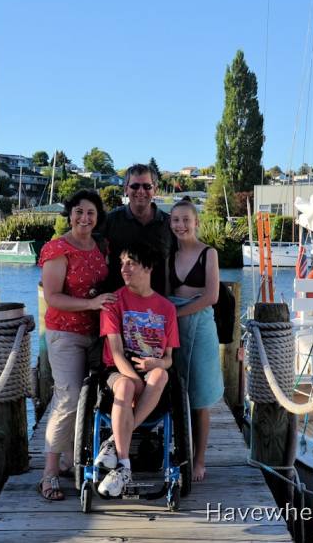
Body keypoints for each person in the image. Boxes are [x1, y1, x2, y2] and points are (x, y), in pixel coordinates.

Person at [37, 189, 116, 501]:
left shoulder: (101, 247)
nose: (85, 218)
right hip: (65, 334)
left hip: (96, 334)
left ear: (98, 218)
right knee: (68, 397)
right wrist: (92, 303)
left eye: (91, 213)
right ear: (69, 214)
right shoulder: (57, 249)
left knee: (91, 399)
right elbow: (52, 297)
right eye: (79, 212)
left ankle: (73, 460)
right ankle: (49, 473)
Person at [94, 242, 179, 497]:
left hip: (152, 372)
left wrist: (157, 364)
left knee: (161, 374)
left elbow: (169, 359)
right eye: (122, 264)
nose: (124, 268)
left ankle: (113, 441)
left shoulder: (166, 308)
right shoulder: (113, 302)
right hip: (118, 370)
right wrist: (134, 379)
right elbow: (117, 353)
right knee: (127, 385)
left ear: (148, 267)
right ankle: (124, 465)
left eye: (130, 262)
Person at [167, 199, 223, 481]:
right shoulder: (169, 254)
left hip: (199, 324)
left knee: (200, 396)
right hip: (174, 327)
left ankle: (199, 460)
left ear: (196, 222)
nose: (181, 225)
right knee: (177, 391)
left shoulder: (208, 253)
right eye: (176, 219)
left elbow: (211, 296)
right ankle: (180, 450)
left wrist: (176, 313)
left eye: (186, 219)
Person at [101, 164, 172, 294]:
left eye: (147, 186)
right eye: (135, 186)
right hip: (118, 305)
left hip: (157, 307)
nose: (140, 191)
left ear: (155, 189)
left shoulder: (170, 223)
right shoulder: (110, 221)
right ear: (126, 188)